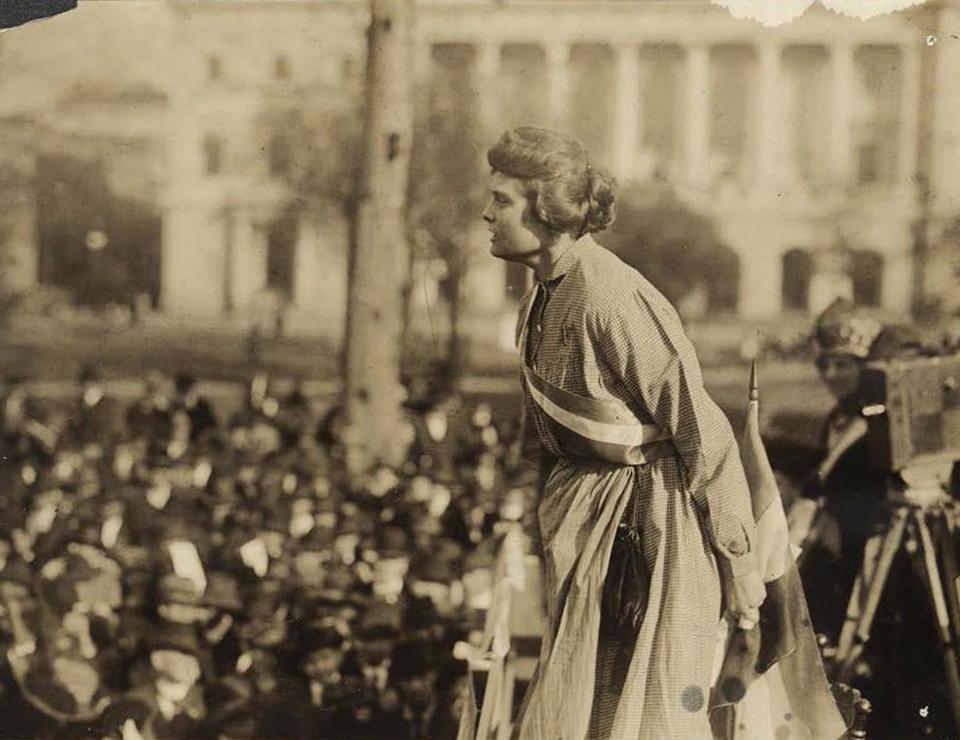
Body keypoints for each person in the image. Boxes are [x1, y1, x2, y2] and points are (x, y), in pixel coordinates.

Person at [481, 127, 765, 739]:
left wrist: (740, 563)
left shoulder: (610, 294)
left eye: (501, 200)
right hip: (585, 527)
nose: (486, 212)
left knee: (648, 713)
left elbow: (701, 426)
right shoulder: (540, 297)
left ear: (547, 209)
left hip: (652, 528)